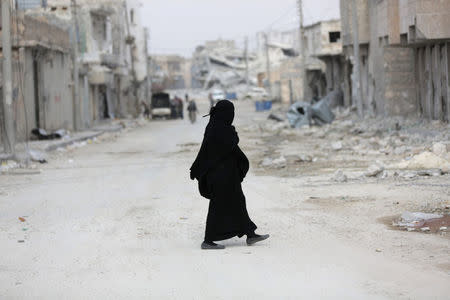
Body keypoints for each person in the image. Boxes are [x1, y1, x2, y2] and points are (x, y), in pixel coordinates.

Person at [190, 100, 269, 249]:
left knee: (238, 201)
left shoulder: (217, 126)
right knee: (218, 206)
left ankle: (250, 233)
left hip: (226, 176)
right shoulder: (219, 128)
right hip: (219, 177)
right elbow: (223, 147)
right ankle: (208, 240)